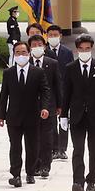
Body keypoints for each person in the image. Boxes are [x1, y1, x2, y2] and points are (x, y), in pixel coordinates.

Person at [61, 34, 95, 191]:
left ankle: (91, 180)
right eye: (81, 49)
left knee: (94, 149)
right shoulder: (70, 68)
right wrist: (63, 115)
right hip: (77, 115)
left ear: (92, 48)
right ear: (77, 50)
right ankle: (78, 182)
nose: (84, 51)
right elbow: (66, 93)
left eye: (87, 48)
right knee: (78, 149)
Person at [0, 40, 52, 187]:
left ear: (29, 54)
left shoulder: (38, 72)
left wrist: (45, 108)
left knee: (32, 146)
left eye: (24, 52)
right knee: (15, 146)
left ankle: (30, 172)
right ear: (14, 55)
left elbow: (45, 91)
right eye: (18, 53)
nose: (21, 55)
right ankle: (15, 174)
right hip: (13, 117)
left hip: (32, 116)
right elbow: (4, 95)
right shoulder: (8, 73)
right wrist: (1, 115)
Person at [28, 34, 61, 178]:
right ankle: (34, 164)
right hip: (30, 107)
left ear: (44, 46)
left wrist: (60, 105)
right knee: (32, 138)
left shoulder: (52, 63)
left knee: (47, 138)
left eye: (39, 45)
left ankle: (45, 166)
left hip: (49, 106)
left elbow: (57, 85)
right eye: (33, 45)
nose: (36, 47)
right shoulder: (25, 63)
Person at [45, 24, 73, 159]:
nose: (53, 38)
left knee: (64, 120)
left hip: (64, 91)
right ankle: (54, 148)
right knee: (51, 122)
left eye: (55, 35)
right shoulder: (43, 51)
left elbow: (71, 71)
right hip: (49, 92)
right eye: (50, 35)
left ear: (60, 36)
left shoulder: (67, 52)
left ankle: (62, 148)